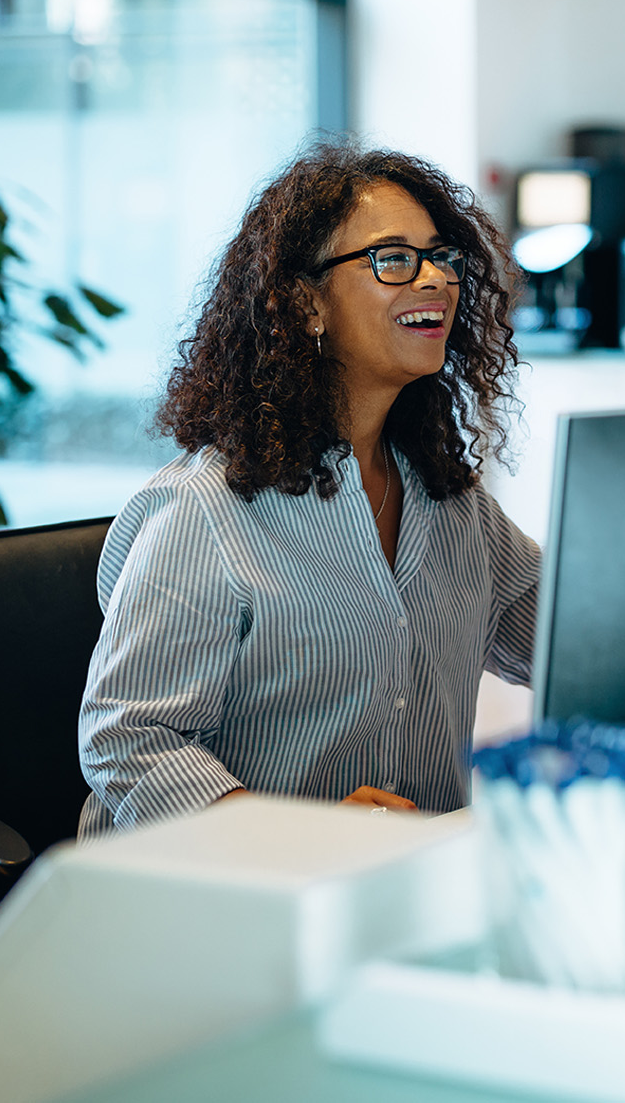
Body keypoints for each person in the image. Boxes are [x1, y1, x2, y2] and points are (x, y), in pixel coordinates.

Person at [77, 141, 539, 834]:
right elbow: (129, 738)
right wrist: (299, 837)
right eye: (393, 259)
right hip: (236, 903)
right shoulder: (206, 511)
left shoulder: (453, 503)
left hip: (407, 887)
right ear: (303, 302)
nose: (436, 280)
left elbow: (575, 643)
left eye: (443, 256)